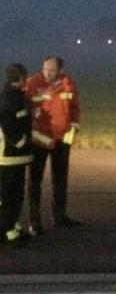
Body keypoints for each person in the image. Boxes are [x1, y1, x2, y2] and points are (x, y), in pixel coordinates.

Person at [25, 56, 82, 235]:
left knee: (60, 179)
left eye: (52, 71)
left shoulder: (68, 84)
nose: (47, 73)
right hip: (39, 140)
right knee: (35, 181)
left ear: (60, 71)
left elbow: (74, 109)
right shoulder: (32, 84)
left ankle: (60, 216)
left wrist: (72, 131)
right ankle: (34, 222)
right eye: (45, 69)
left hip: (61, 140)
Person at [0, 63, 33, 247]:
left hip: (13, 156)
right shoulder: (10, 98)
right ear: (20, 78)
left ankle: (11, 225)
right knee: (11, 195)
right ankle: (9, 231)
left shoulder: (13, 96)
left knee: (13, 194)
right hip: (10, 156)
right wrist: (21, 142)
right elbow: (9, 125)